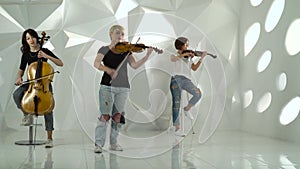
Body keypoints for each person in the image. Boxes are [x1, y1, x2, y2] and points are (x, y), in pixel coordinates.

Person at [94, 25, 153, 153]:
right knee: (105, 115)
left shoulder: (127, 51)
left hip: (123, 87)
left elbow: (135, 65)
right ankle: (98, 144)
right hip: (107, 86)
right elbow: (96, 63)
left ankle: (114, 143)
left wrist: (147, 56)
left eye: (122, 34)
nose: (120, 36)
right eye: (117, 33)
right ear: (110, 34)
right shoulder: (104, 49)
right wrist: (108, 70)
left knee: (117, 116)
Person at [13, 28, 63, 148]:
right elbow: (21, 70)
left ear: (36, 37)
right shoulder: (26, 54)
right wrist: (19, 78)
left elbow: (60, 63)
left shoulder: (44, 50)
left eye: (32, 37)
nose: (31, 40)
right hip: (31, 83)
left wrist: (46, 56)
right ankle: (27, 113)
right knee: (16, 94)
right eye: (28, 38)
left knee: (48, 109)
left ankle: (49, 137)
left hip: (44, 83)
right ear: (26, 41)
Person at [170, 37, 207, 137]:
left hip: (186, 80)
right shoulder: (175, 55)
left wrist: (201, 58)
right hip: (176, 79)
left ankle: (187, 109)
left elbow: (194, 68)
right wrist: (184, 54)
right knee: (176, 103)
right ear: (180, 45)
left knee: (198, 93)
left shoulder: (189, 58)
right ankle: (177, 128)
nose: (188, 46)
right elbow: (173, 59)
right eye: (186, 44)